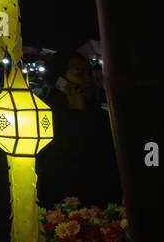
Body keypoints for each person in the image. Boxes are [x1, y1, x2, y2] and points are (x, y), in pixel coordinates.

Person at [37, 51, 121, 208]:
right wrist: (77, 113)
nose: (88, 80)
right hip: (66, 201)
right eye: (79, 74)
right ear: (60, 80)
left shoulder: (97, 110)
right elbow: (67, 152)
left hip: (102, 197)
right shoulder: (46, 113)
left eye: (89, 73)